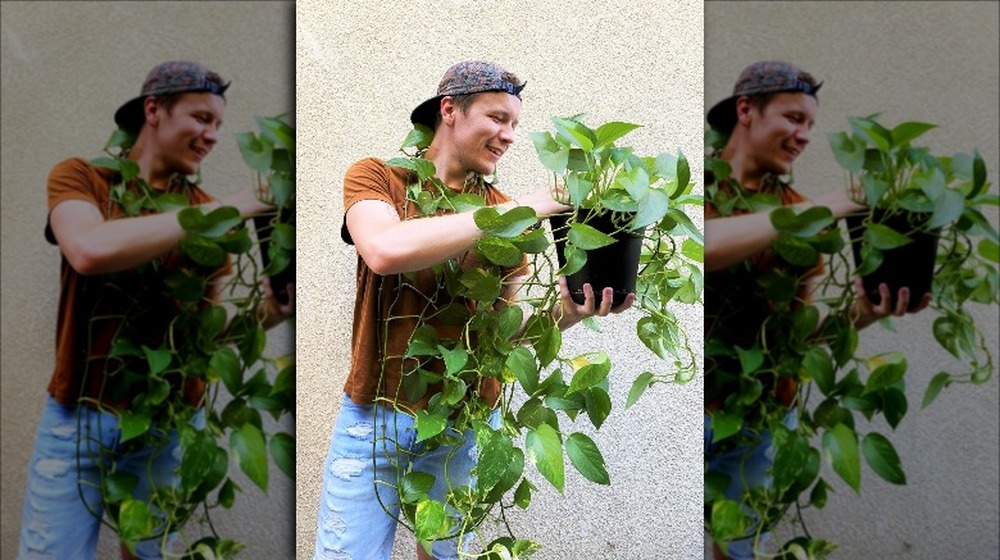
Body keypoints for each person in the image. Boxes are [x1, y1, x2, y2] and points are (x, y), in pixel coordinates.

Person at [314, 60, 633, 560]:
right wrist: (527, 207)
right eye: (497, 118)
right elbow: (384, 249)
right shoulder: (381, 178)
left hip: (461, 418)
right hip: (373, 415)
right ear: (450, 111)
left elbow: (502, 330)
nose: (509, 136)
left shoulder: (508, 215)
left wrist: (567, 315)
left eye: (515, 125)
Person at [18, 61, 294, 560]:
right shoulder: (84, 178)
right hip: (76, 414)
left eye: (218, 124)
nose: (212, 135)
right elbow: (87, 249)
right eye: (201, 118)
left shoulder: (211, 220)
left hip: (167, 421)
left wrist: (267, 316)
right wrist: (231, 207)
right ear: (154, 110)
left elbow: (196, 336)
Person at [703, 61, 930, 560]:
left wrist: (862, 315)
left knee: (743, 549)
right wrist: (828, 205)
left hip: (761, 413)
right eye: (792, 118)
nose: (804, 135)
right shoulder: (698, 189)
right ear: (746, 110)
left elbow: (795, 341)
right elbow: (699, 246)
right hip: (692, 407)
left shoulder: (803, 218)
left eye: (810, 124)